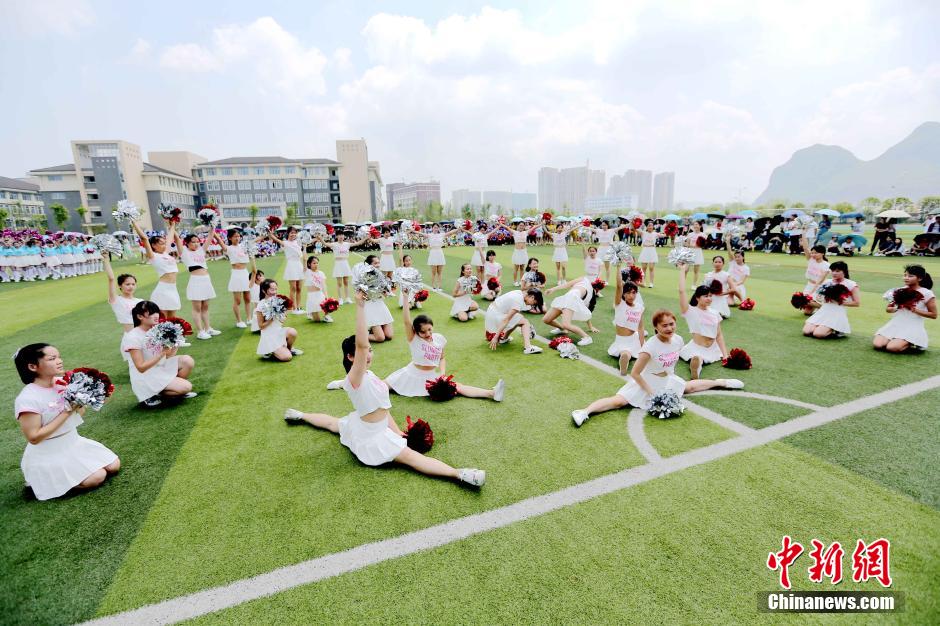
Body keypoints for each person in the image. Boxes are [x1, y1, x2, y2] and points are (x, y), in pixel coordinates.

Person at [284, 292, 486, 487]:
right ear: (350, 358)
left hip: (377, 427)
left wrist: (397, 431)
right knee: (411, 458)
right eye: (364, 353)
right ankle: (460, 474)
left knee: (333, 423)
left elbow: (384, 408)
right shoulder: (355, 377)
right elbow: (362, 346)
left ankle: (299, 415)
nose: (369, 354)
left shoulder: (370, 376)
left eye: (371, 351)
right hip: (371, 436)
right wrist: (360, 307)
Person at [570, 310, 743, 426]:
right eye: (664, 326)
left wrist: (670, 381)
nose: (669, 328)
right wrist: (652, 392)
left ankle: (722, 382)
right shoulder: (649, 347)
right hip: (645, 382)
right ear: (656, 327)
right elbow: (635, 374)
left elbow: (672, 363)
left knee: (688, 387)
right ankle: (584, 411)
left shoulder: (678, 340)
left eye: (671, 324)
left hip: (666, 379)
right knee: (618, 401)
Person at [12, 343, 120, 501]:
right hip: (49, 453)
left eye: (58, 356)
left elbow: (79, 413)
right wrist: (67, 410)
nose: (59, 361)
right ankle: (42, 483)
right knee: (97, 477)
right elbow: (34, 437)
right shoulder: (28, 398)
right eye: (52, 358)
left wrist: (89, 397)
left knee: (113, 466)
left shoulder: (63, 383)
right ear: (32, 366)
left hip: (73, 442)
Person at [384, 304, 504, 401]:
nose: (428, 334)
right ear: (416, 332)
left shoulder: (439, 338)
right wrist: (405, 297)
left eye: (429, 329)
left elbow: (442, 358)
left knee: (458, 387)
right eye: (423, 332)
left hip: (431, 376)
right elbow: (406, 321)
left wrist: (442, 373)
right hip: (411, 373)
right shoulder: (414, 339)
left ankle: (492, 393)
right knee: (384, 386)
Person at [122, 301, 197, 407]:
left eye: (156, 312)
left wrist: (175, 344)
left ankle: (173, 389)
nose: (156, 315)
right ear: (139, 316)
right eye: (151, 313)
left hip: (159, 367)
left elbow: (168, 356)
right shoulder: (133, 337)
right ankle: (151, 394)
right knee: (186, 387)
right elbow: (141, 368)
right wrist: (162, 353)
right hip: (146, 375)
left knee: (187, 361)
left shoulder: (157, 330)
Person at [677, 263, 729, 379]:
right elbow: (681, 291)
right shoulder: (690, 311)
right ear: (697, 298)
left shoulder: (715, 312)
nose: (709, 298)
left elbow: (719, 335)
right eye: (705, 296)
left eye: (710, 296)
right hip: (697, 347)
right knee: (698, 359)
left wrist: (725, 355)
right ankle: (695, 369)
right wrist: (682, 270)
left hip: (712, 348)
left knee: (702, 359)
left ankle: (696, 364)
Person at [874, 265, 936, 352]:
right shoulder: (900, 290)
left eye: (910, 276)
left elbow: (934, 315)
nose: (906, 278)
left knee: (892, 348)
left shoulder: (927, 293)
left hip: (913, 326)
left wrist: (914, 309)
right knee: (878, 345)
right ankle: (898, 340)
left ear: (920, 278)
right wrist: (896, 308)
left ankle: (911, 342)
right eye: (905, 275)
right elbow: (888, 309)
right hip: (895, 323)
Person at [131, 217, 182, 319]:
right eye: (161, 243)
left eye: (164, 243)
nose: (164, 245)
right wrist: (134, 222)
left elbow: (170, 237)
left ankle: (173, 335)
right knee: (162, 318)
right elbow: (144, 239)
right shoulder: (153, 256)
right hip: (163, 289)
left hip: (173, 288)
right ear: (154, 245)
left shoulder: (166, 253)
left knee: (173, 318)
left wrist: (172, 225)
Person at [174, 230, 219, 340]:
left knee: (206, 307)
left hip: (206, 280)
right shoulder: (184, 252)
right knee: (197, 308)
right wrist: (172, 226)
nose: (196, 244)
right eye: (193, 242)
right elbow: (177, 240)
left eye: (197, 241)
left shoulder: (201, 251)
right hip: (196, 281)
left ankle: (208, 328)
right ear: (187, 243)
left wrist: (212, 226)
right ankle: (200, 331)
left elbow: (209, 237)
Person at [802, 261, 860, 339]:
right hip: (824, 310)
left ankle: (838, 330)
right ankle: (824, 327)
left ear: (844, 272)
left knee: (818, 334)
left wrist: (839, 301)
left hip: (837, 312)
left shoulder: (851, 284)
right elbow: (819, 296)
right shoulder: (827, 282)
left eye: (837, 271)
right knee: (807, 331)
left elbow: (856, 303)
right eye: (832, 271)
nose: (834, 273)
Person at [542, 277, 602, 346]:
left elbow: (587, 311)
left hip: (572, 299)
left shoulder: (591, 295)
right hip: (566, 297)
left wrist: (590, 326)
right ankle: (562, 329)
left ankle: (587, 337)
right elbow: (568, 284)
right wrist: (553, 289)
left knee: (566, 324)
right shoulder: (584, 279)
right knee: (546, 319)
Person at [608, 267, 645, 375]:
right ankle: (623, 363)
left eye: (634, 293)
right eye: (628, 293)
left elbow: (641, 327)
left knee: (639, 352)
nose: (631, 296)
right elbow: (619, 286)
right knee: (626, 353)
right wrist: (618, 266)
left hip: (634, 338)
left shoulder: (639, 307)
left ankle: (627, 358)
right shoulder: (620, 304)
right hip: (622, 340)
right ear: (623, 294)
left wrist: (643, 345)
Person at [317, 229, 371, 304]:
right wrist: (321, 239)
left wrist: (366, 238)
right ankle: (340, 299)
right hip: (338, 264)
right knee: (339, 283)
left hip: (345, 263)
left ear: (344, 236)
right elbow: (325, 244)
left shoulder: (347, 244)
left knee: (346, 282)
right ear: (337, 236)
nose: (341, 236)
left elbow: (357, 243)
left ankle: (347, 298)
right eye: (339, 235)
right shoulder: (334, 244)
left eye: (342, 235)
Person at [485, 288, 544, 354]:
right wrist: (495, 337)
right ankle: (528, 347)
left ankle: (503, 339)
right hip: (495, 316)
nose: (532, 305)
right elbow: (506, 320)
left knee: (518, 318)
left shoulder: (520, 293)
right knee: (525, 322)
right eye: (534, 303)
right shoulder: (518, 301)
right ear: (532, 297)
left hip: (492, 312)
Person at [256, 279, 302, 361]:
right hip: (269, 336)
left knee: (293, 332)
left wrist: (283, 314)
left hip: (278, 332)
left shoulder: (278, 300)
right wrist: (272, 318)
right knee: (287, 357)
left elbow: (282, 321)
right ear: (264, 290)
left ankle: (289, 349)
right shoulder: (261, 305)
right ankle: (271, 352)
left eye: (276, 289)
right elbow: (261, 326)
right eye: (272, 289)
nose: (274, 292)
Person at [215, 229, 252, 328]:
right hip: (236, 274)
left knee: (248, 298)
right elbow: (219, 240)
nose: (237, 238)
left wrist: (268, 232)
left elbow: (256, 240)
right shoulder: (229, 248)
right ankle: (239, 321)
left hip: (245, 273)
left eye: (238, 236)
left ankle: (249, 318)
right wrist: (212, 230)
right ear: (230, 238)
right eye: (235, 236)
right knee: (238, 300)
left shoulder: (244, 246)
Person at [269, 226, 306, 315]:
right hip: (291, 265)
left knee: (299, 288)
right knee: (293, 288)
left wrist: (318, 237)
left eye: (295, 233)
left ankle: (299, 306)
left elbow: (308, 242)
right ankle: (294, 308)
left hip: (299, 265)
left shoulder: (298, 242)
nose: (293, 234)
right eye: (291, 232)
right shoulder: (285, 243)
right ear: (288, 233)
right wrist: (270, 233)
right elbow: (275, 239)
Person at [415, 223, 461, 291]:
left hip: (439, 252)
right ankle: (433, 286)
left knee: (439, 272)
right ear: (432, 228)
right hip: (433, 253)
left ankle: (439, 287)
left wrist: (458, 229)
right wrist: (413, 231)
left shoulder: (441, 234)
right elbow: (421, 233)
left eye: (437, 227)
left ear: (438, 228)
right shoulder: (429, 235)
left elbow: (450, 232)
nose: (436, 229)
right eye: (434, 227)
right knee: (433, 272)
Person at [360, 254, 395, 343]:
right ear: (369, 265)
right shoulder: (364, 276)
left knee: (389, 335)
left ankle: (375, 329)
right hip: (370, 306)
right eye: (375, 263)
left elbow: (386, 294)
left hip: (380, 305)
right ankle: (360, 335)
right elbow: (361, 295)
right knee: (380, 338)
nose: (378, 265)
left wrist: (386, 291)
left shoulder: (381, 275)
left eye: (378, 263)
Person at [801, 233, 831, 314]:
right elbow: (805, 247)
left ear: (822, 253)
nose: (813, 255)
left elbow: (820, 281)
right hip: (809, 284)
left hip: (819, 287)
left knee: (809, 301)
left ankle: (827, 307)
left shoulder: (826, 265)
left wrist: (811, 293)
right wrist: (804, 232)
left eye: (816, 253)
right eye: (812, 253)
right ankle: (818, 307)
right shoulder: (811, 259)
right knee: (807, 312)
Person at [304, 255, 333, 323]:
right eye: (314, 263)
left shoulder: (321, 273)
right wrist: (304, 248)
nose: (316, 264)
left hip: (320, 294)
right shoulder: (307, 272)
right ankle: (310, 313)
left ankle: (326, 316)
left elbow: (324, 285)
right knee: (317, 320)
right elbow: (304, 260)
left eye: (317, 263)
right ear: (309, 264)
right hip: (311, 296)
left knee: (326, 305)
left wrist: (326, 295)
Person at [510, 221, 539, 286]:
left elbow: (534, 227)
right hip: (517, 252)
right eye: (520, 225)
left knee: (522, 268)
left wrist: (541, 223)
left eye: (523, 225)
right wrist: (500, 224)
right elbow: (506, 227)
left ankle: (521, 281)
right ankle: (515, 281)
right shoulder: (515, 232)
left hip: (523, 252)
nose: (521, 227)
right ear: (518, 226)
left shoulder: (525, 232)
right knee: (516, 268)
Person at [550, 221, 576, 285]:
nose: (560, 229)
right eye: (559, 228)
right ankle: (559, 281)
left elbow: (572, 229)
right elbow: (546, 231)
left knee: (563, 267)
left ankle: (564, 280)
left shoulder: (564, 233)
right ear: (556, 229)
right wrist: (542, 224)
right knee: (558, 267)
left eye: (561, 228)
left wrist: (580, 225)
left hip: (563, 251)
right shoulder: (554, 234)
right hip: (557, 251)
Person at [638, 221, 659, 287]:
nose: (650, 227)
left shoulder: (655, 234)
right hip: (645, 250)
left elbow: (665, 234)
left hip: (652, 250)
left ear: (653, 227)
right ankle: (643, 282)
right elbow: (635, 229)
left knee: (651, 267)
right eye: (649, 225)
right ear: (647, 227)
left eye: (651, 226)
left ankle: (651, 283)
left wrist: (670, 231)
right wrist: (633, 223)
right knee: (644, 268)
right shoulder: (643, 233)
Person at [249, 266, 265, 333]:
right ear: (257, 277)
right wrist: (252, 257)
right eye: (261, 276)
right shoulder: (252, 285)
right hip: (258, 309)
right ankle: (258, 328)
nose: (263, 277)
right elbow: (254, 272)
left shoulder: (264, 286)